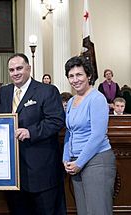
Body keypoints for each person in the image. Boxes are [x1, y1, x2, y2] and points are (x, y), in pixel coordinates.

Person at [0, 53, 66, 214]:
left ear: (29, 68)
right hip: (13, 173)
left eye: (19, 68)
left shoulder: (47, 90)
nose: (16, 73)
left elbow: (56, 121)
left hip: (41, 171)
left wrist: (31, 132)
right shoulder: (4, 92)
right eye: (12, 70)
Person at [63, 56, 116, 215]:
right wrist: (66, 159)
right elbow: (69, 131)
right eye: (71, 76)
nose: (75, 79)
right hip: (76, 162)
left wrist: (79, 162)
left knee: (98, 211)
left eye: (79, 74)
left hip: (97, 161)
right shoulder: (72, 101)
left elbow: (98, 135)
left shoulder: (97, 98)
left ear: (89, 76)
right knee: (84, 211)